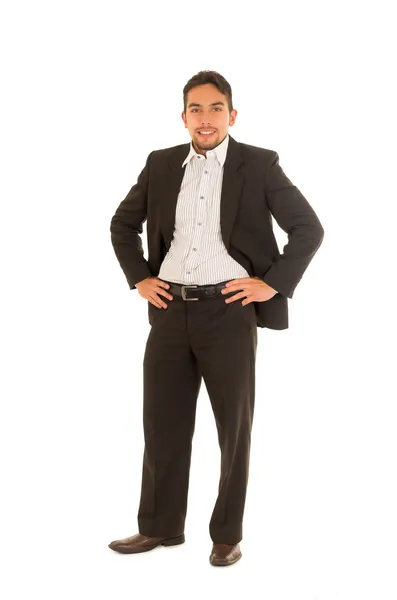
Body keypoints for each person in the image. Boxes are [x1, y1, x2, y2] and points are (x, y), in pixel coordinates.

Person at [108, 70, 324, 566]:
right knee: (161, 424)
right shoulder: (160, 165)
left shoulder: (260, 164)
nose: (206, 119)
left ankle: (226, 535)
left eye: (215, 108)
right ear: (183, 116)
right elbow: (122, 224)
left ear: (232, 114)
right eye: (196, 109)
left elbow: (308, 228)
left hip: (229, 312)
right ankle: (159, 528)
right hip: (168, 311)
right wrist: (140, 277)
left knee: (234, 426)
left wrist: (271, 283)